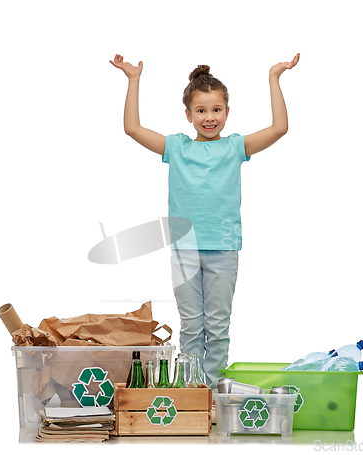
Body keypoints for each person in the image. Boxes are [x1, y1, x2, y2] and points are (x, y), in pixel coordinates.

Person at [110, 53, 300, 388]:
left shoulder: (236, 147)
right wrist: (133, 80)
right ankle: (193, 391)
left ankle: (213, 392)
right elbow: (132, 129)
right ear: (188, 114)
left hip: (224, 248)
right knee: (191, 326)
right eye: (201, 110)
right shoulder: (177, 148)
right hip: (185, 250)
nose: (209, 117)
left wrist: (275, 77)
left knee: (218, 325)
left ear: (227, 112)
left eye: (216, 110)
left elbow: (280, 128)